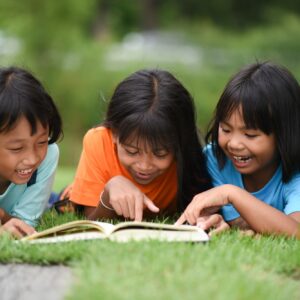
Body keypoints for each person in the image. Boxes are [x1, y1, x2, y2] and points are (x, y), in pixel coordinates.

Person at [176, 61, 300, 238]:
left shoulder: (295, 173)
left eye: (250, 134)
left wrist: (231, 193)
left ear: (284, 134)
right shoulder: (214, 160)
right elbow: (235, 220)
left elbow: (296, 232)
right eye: (226, 129)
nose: (234, 144)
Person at [70, 69, 212, 221]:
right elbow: (91, 221)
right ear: (114, 134)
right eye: (132, 151)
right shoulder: (99, 141)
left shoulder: (189, 158)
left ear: (179, 144)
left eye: (160, 154)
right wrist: (108, 193)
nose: (144, 166)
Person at [0, 66, 63, 238]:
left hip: (44, 198)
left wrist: (3, 216)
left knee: (63, 201)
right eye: (17, 148)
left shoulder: (48, 155)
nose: (32, 158)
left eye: (41, 142)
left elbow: (24, 225)